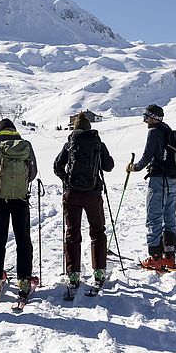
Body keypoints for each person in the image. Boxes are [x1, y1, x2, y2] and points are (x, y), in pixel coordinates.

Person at [53, 113, 114, 290]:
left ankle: (73, 274)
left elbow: (57, 166)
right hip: (93, 193)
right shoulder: (98, 144)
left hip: (72, 194)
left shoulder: (70, 144)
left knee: (72, 233)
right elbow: (109, 166)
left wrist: (67, 180)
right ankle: (99, 271)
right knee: (98, 231)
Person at [0, 118, 39, 297]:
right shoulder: (25, 144)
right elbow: (33, 173)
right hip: (21, 198)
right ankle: (24, 280)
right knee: (23, 239)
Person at [128, 104, 176, 271]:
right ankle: (169, 257)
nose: (145, 121)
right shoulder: (168, 130)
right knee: (170, 218)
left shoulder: (154, 132)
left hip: (158, 180)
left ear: (153, 118)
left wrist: (134, 167)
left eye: (146, 117)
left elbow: (146, 157)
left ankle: (155, 258)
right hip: (172, 179)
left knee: (154, 217)